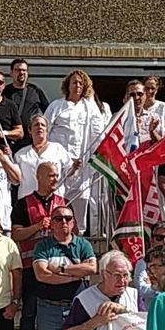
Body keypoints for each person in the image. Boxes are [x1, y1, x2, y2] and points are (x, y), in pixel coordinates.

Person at [11, 161, 67, 330]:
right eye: (51, 175)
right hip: (31, 266)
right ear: (40, 177)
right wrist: (37, 226)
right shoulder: (23, 204)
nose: (55, 179)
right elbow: (16, 234)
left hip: (58, 267)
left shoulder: (64, 203)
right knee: (29, 312)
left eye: (56, 175)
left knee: (62, 310)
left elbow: (74, 232)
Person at [42, 70, 104, 229]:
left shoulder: (90, 108)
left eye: (81, 83)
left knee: (81, 201)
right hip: (58, 163)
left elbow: (99, 133)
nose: (77, 86)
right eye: (74, 82)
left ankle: (80, 233)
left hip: (81, 165)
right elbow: (45, 130)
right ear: (67, 85)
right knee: (57, 200)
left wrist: (90, 100)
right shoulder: (57, 105)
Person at [13, 114, 76, 202]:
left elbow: (68, 173)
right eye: (36, 125)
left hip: (54, 201)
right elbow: (15, 179)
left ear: (47, 130)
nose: (40, 127)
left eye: (43, 125)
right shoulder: (20, 154)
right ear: (30, 130)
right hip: (28, 202)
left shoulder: (58, 149)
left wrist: (74, 167)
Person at [134, 223, 165, 312]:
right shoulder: (143, 263)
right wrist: (164, 289)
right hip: (154, 312)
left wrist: (157, 286)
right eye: (159, 238)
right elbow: (142, 290)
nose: (164, 241)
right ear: (152, 240)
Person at [4, 58, 50, 139]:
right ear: (11, 73)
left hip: (31, 140)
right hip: (10, 139)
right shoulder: (4, 92)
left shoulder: (35, 90)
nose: (21, 73)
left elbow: (48, 112)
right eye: (17, 70)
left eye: (24, 70)